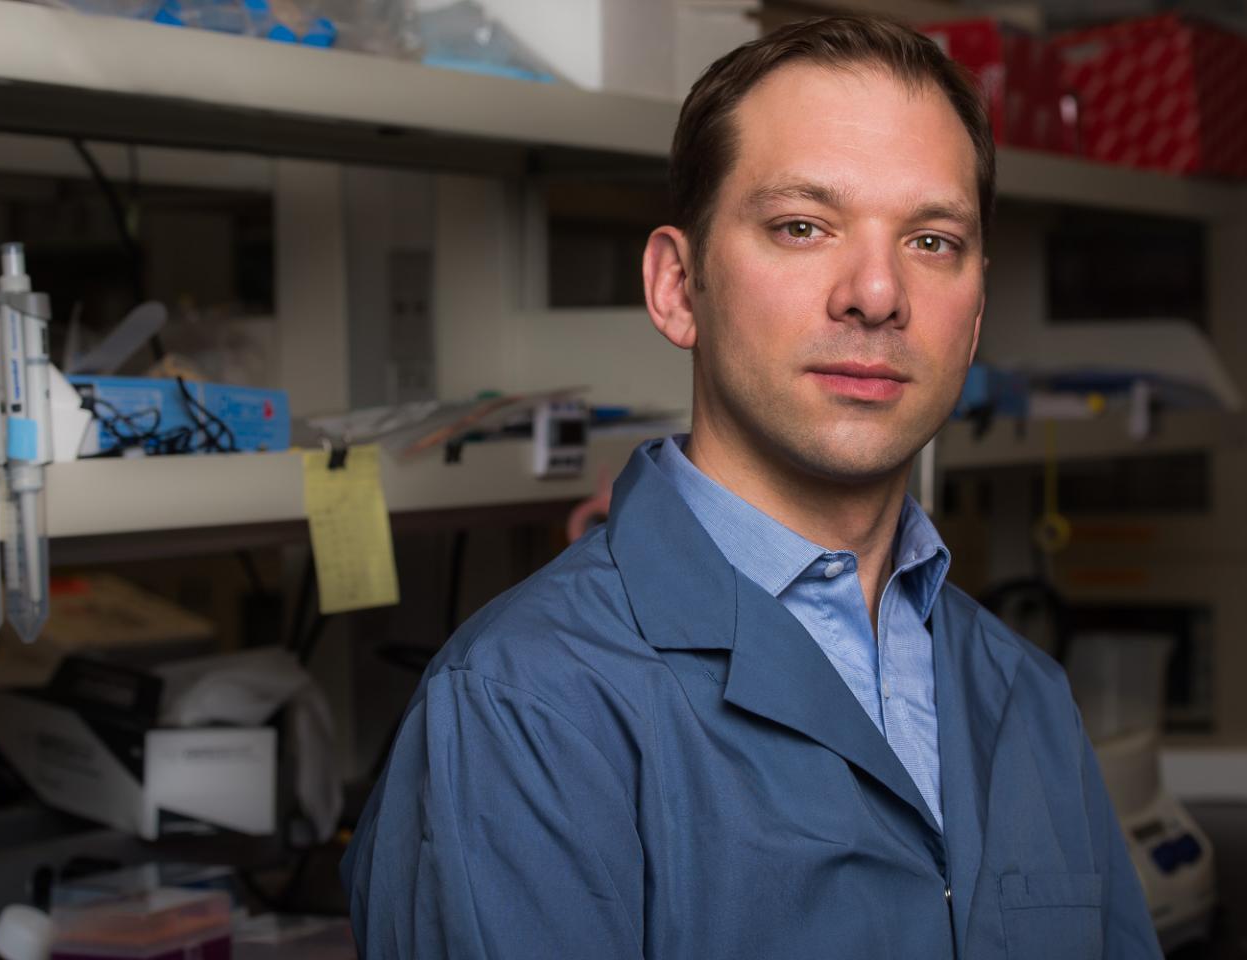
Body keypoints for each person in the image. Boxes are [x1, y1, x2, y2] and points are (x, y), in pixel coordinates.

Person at [342, 15, 1161, 959]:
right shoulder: (524, 710)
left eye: (932, 241)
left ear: (974, 316)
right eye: (803, 226)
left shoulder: (1024, 697)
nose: (877, 293)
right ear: (678, 290)